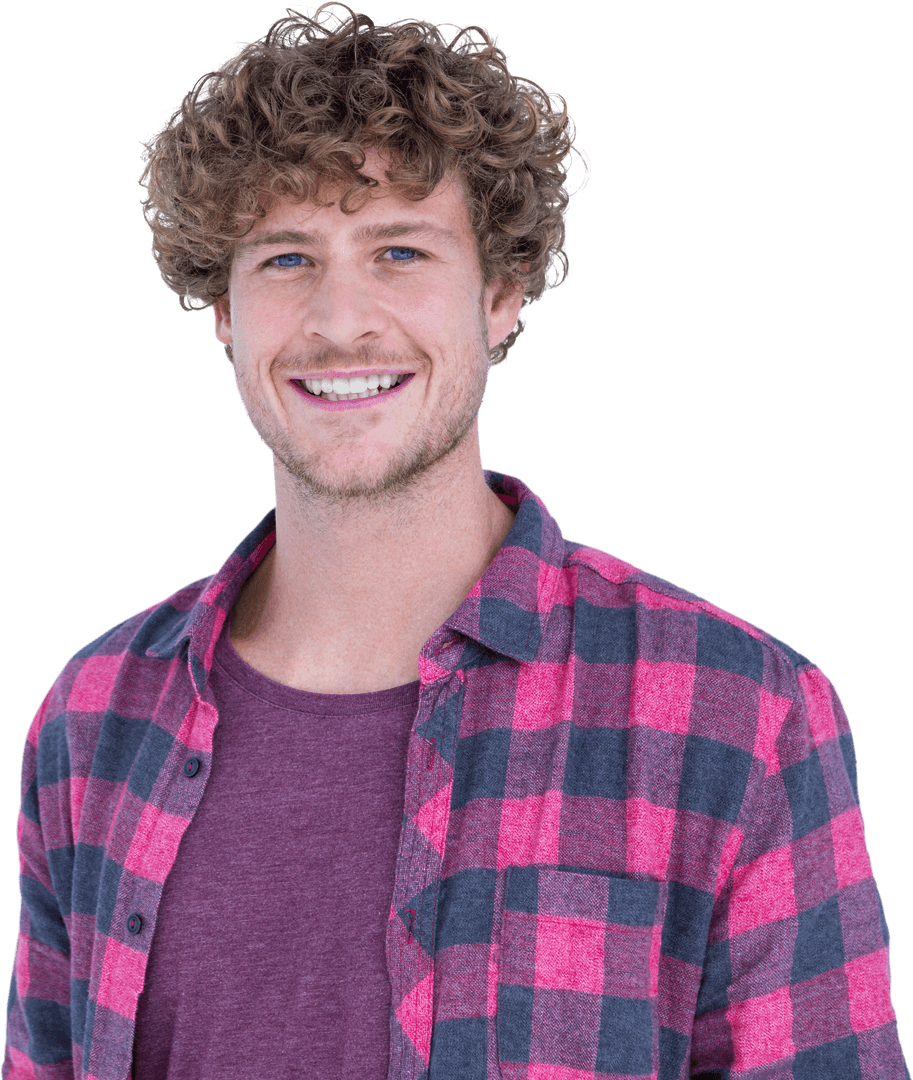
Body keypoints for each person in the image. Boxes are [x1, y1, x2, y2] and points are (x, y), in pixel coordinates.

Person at [2, 5, 907, 1079]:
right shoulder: (94, 719)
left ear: (501, 294)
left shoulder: (740, 716)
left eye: (398, 250)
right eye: (286, 257)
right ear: (224, 312)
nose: (340, 319)